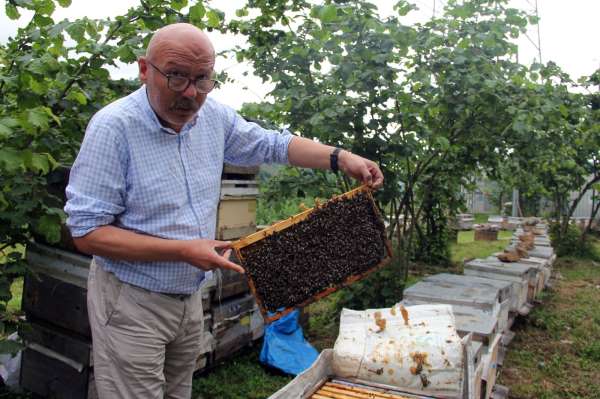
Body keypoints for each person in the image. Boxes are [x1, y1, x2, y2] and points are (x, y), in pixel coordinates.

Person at [65, 23, 383, 399]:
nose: (190, 93)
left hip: (188, 299)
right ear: (144, 70)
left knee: (177, 392)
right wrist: (183, 250)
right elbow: (86, 233)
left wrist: (340, 158)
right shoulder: (113, 128)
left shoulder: (214, 118)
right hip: (131, 301)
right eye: (177, 77)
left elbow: (272, 145)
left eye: (203, 79)